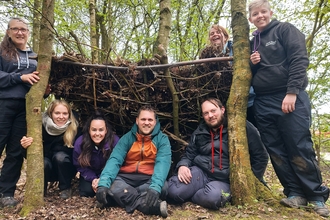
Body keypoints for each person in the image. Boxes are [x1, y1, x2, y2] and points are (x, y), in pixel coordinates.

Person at [248, 0, 329, 217]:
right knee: (276, 150)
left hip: (289, 96)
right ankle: (294, 192)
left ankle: (316, 196)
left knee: (299, 145)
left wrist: (292, 92)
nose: (260, 16)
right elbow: (245, 75)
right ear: (250, 19)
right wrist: (251, 63)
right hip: (263, 102)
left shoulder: (285, 30)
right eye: (255, 14)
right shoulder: (252, 42)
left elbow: (299, 59)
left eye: (263, 12)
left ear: (270, 12)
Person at [167, 98, 268, 209]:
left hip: (224, 178)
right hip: (201, 172)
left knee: (212, 198)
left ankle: (194, 194)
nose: (210, 115)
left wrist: (250, 181)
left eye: (213, 111)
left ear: (222, 110)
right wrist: (183, 165)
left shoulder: (241, 127)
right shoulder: (200, 131)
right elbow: (189, 154)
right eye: (206, 113)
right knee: (173, 191)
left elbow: (261, 157)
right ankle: (195, 191)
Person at [96, 105, 171, 218]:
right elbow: (115, 160)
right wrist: (103, 184)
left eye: (150, 120)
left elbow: (162, 164)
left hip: (148, 178)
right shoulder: (127, 138)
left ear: (155, 122)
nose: (146, 123)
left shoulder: (162, 139)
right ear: (137, 121)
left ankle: (116, 198)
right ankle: (144, 205)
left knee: (163, 187)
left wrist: (155, 187)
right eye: (143, 119)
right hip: (126, 177)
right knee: (111, 185)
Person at [0, 17, 40, 207]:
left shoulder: (34, 56)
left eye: (23, 29)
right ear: (8, 32)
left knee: (15, 152)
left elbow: (37, 81)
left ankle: (6, 193)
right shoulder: (2, 52)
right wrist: (19, 77)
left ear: (28, 32)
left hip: (25, 109)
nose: (20, 32)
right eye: (15, 29)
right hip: (3, 104)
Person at [20, 99, 80, 199]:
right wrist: (25, 147)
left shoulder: (74, 129)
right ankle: (40, 191)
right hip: (45, 169)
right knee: (44, 162)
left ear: (69, 115)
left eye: (65, 113)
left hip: (65, 169)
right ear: (50, 113)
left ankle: (65, 189)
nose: (61, 117)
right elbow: (28, 156)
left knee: (60, 157)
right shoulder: (39, 127)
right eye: (57, 113)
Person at [200, 24, 257, 127]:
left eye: (218, 32)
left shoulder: (237, 49)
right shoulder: (207, 55)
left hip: (246, 99)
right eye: (212, 34)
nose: (215, 35)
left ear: (225, 36)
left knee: (252, 127)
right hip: (224, 101)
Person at [73, 111, 120, 197]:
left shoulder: (115, 142)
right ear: (89, 130)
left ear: (106, 130)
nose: (97, 134)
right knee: (87, 191)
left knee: (112, 190)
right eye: (94, 130)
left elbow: (117, 164)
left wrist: (102, 179)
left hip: (109, 173)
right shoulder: (80, 143)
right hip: (91, 173)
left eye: (101, 130)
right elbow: (80, 166)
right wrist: (94, 179)